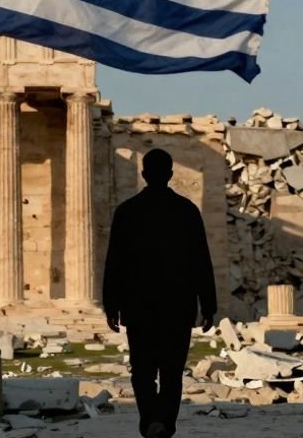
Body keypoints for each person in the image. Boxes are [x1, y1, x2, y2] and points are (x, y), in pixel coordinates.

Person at [103, 148, 217, 438]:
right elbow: (201, 261)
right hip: (177, 306)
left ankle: (150, 421)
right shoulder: (187, 211)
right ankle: (164, 423)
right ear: (170, 174)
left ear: (143, 174)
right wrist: (209, 304)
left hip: (138, 305)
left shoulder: (127, 212)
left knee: (142, 371)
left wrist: (111, 304)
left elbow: (114, 262)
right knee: (171, 372)